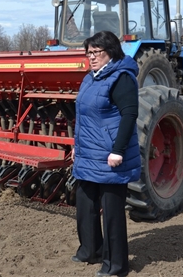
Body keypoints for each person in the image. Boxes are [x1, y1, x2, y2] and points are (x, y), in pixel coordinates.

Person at [70, 31, 141, 277]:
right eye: (88, 52)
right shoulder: (90, 78)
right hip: (87, 153)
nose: (91, 57)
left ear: (111, 51)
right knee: (85, 204)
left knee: (111, 212)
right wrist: (75, 146)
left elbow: (129, 115)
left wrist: (117, 150)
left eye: (96, 52)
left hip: (110, 155)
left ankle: (115, 265)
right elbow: (84, 116)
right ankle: (90, 250)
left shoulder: (122, 78)